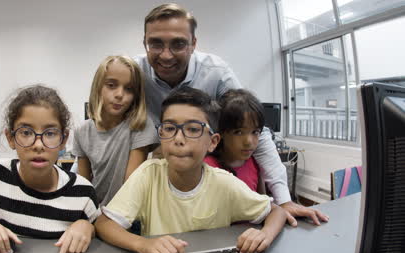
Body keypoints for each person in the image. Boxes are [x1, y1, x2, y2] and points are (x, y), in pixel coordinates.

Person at [135, 3, 328, 226]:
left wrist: (284, 200)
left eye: (178, 44)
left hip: (203, 173)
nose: (166, 55)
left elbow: (255, 129)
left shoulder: (216, 73)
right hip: (158, 169)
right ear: (145, 43)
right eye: (156, 44)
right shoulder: (135, 72)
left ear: (193, 44)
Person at [95, 88, 286, 253]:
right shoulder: (148, 175)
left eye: (193, 129)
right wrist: (143, 244)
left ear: (213, 142)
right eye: (169, 128)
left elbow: (276, 211)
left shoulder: (223, 182)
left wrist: (265, 234)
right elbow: (104, 224)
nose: (178, 139)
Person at [0, 85, 100, 253]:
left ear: (64, 139)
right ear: (10, 138)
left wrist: (87, 227)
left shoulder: (83, 192)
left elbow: (99, 229)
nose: (38, 144)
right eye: (26, 132)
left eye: (50, 133)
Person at [72, 55, 159, 206]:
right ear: (98, 87)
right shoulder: (82, 131)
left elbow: (130, 186)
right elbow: (84, 185)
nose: (120, 94)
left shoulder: (140, 126)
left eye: (129, 89)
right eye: (111, 85)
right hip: (92, 209)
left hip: (125, 211)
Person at [204, 89, 266, 192]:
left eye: (255, 132)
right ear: (222, 132)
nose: (248, 141)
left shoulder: (255, 163)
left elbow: (263, 203)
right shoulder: (207, 168)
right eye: (239, 132)